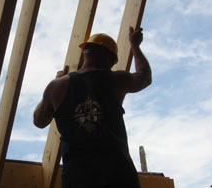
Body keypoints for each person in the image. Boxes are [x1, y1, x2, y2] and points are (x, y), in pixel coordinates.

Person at [33, 27, 152, 188]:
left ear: (85, 54)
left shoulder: (56, 86)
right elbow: (144, 77)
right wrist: (135, 45)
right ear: (108, 57)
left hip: (77, 178)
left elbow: (39, 121)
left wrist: (52, 89)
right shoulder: (117, 79)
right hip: (118, 177)